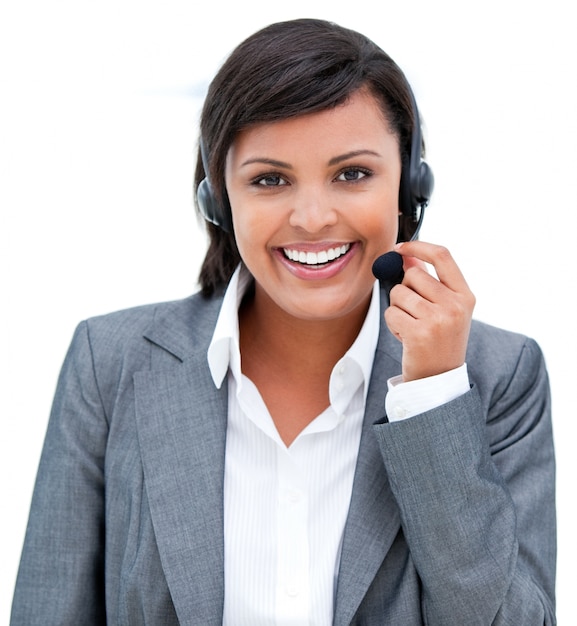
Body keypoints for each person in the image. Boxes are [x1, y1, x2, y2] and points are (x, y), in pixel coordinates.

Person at [11, 18, 556, 625]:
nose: (313, 217)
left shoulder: (498, 375)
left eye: (352, 174)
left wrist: (432, 398)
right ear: (218, 199)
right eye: (270, 179)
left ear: (410, 186)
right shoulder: (108, 362)